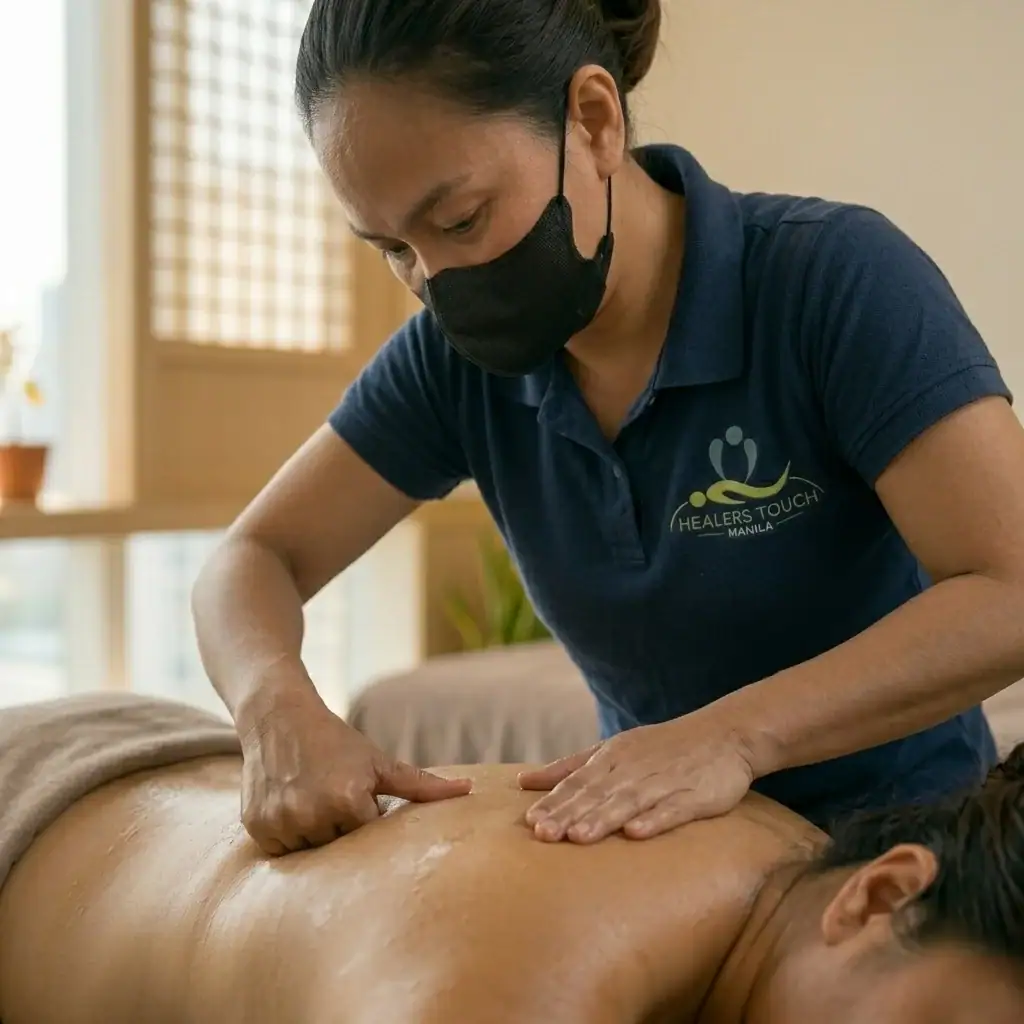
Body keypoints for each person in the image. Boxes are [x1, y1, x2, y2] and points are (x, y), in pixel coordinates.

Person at [192, 0, 1024, 855]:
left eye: (461, 219)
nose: (435, 281)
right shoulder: (453, 367)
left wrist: (734, 737)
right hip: (666, 865)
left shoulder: (831, 280)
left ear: (593, 121)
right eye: (392, 248)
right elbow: (251, 559)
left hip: (904, 852)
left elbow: (1011, 591)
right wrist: (274, 705)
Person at [1, 693, 1023, 1023]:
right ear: (881, 895)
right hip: (38, 807)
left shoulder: (780, 889)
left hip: (164, 766)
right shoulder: (524, 976)